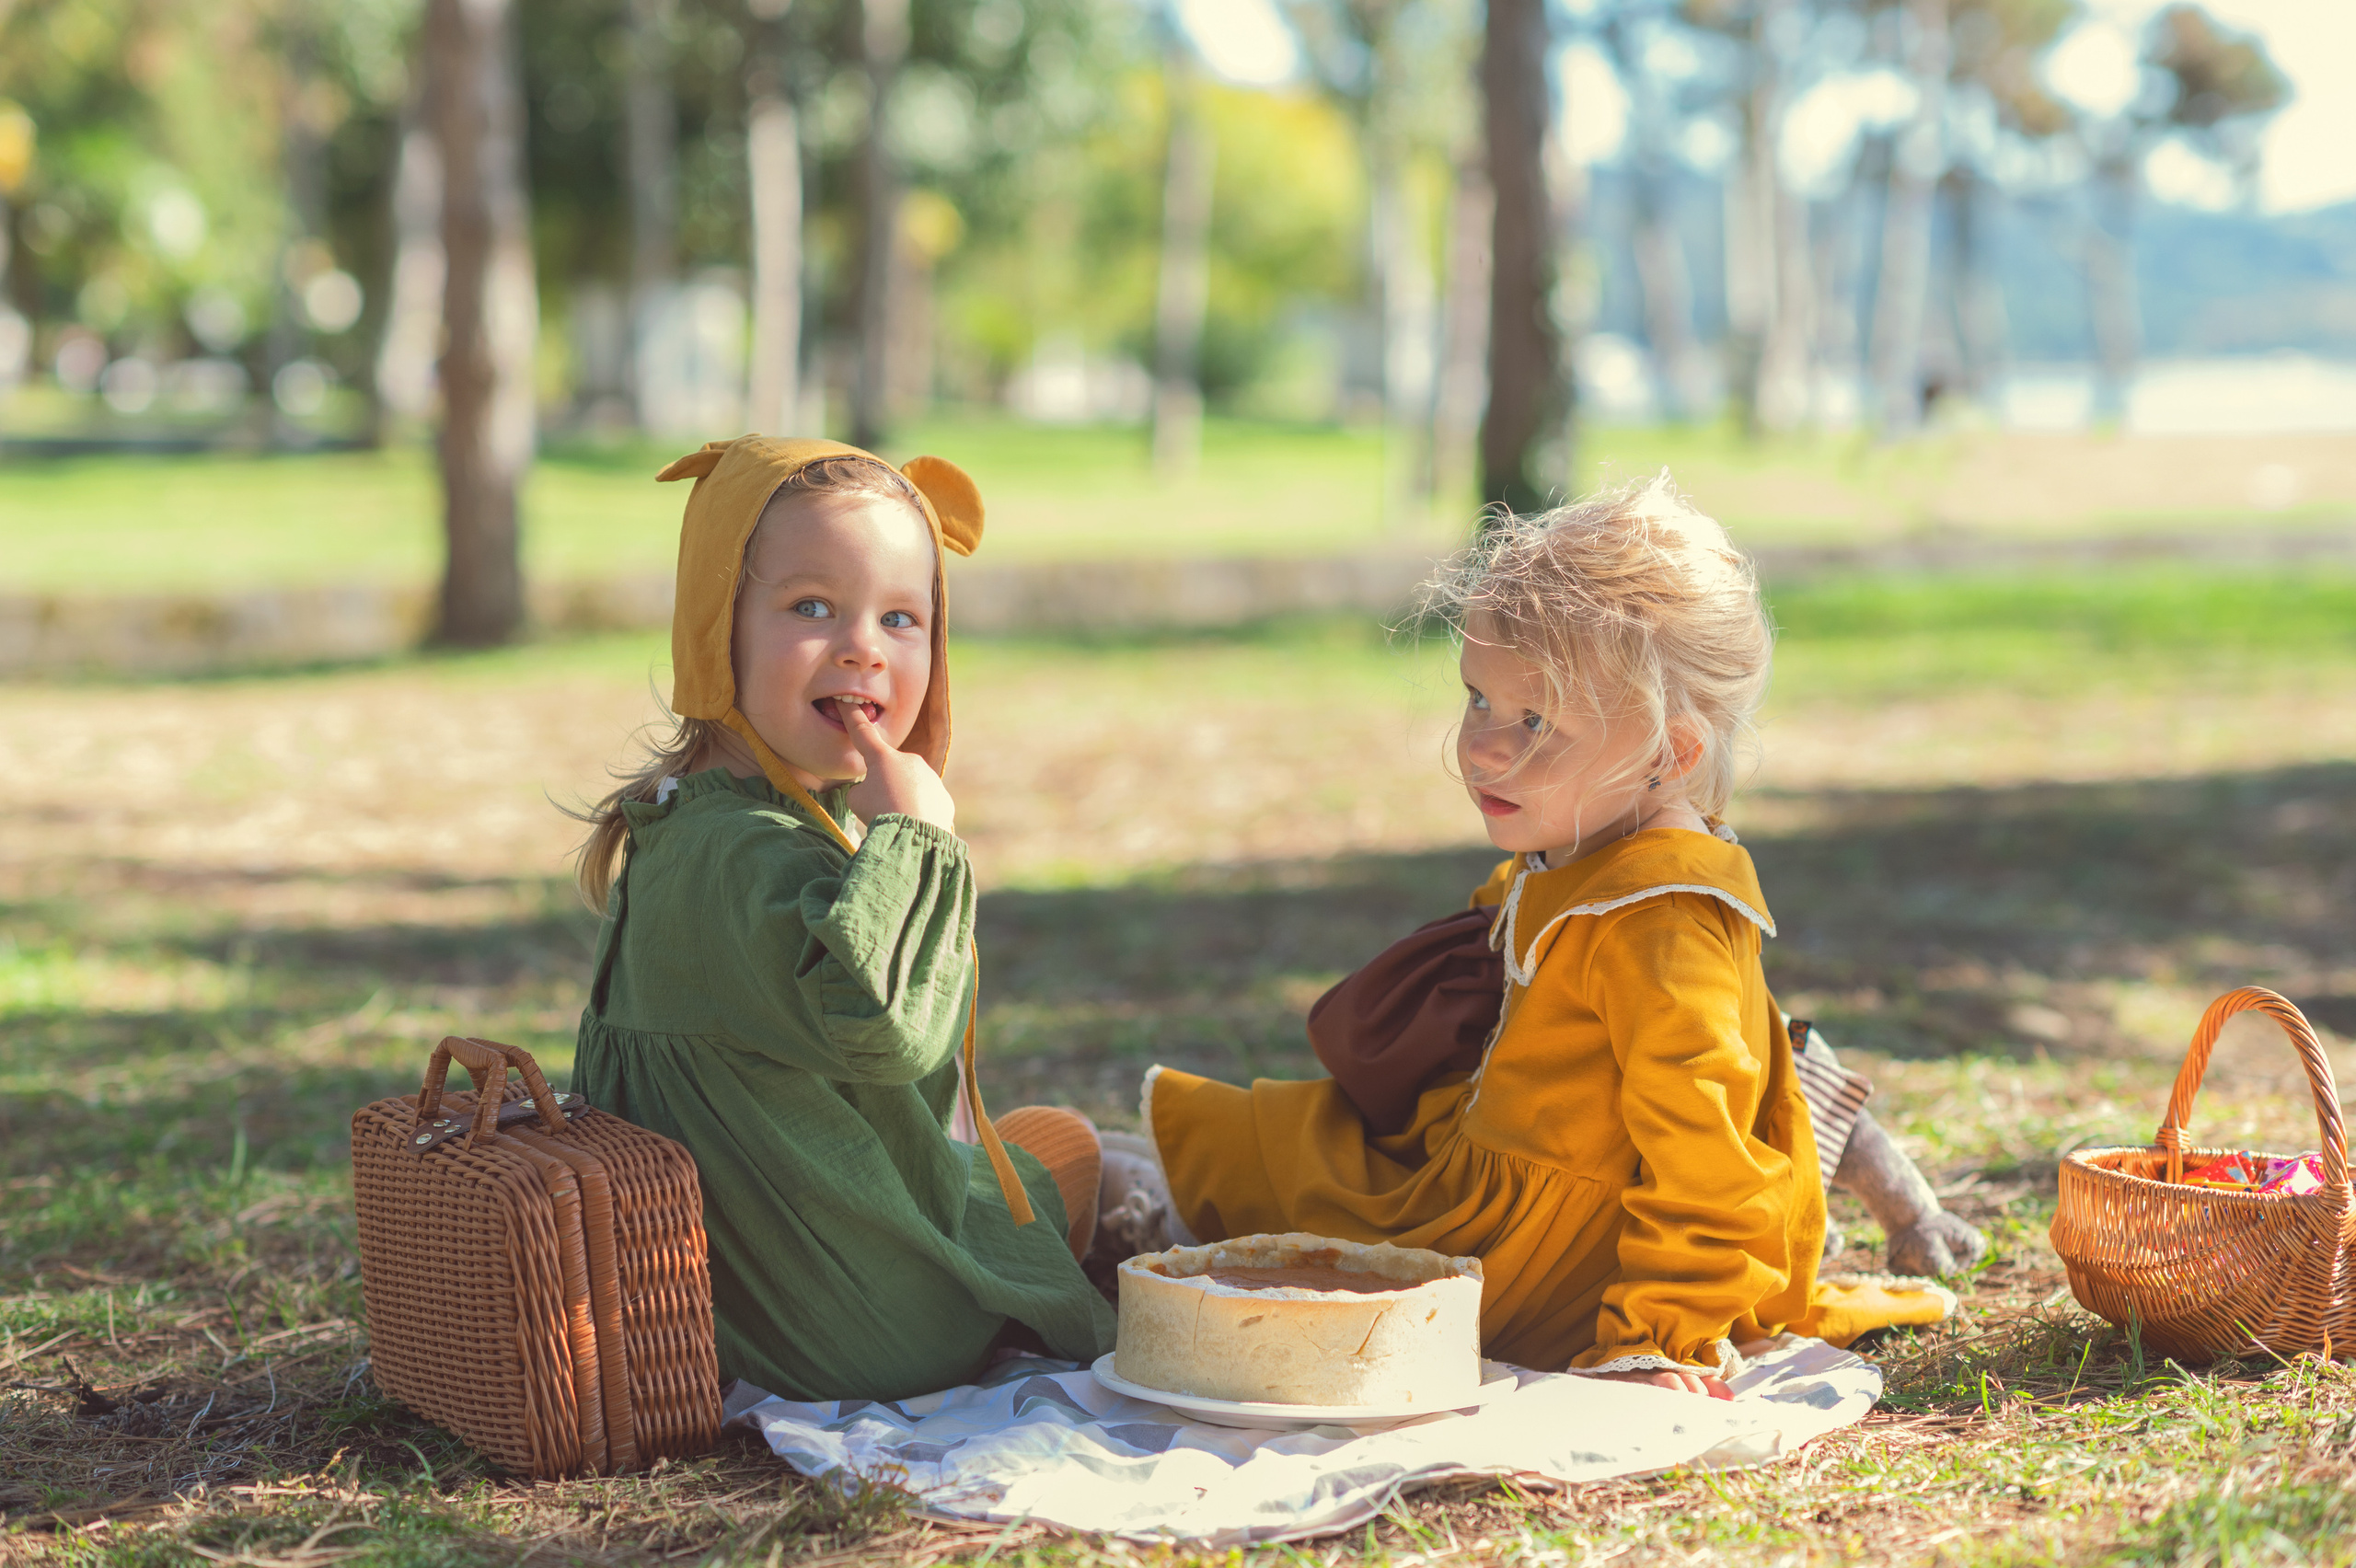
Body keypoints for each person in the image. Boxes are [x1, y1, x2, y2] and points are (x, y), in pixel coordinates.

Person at [1132, 478, 1955, 1396]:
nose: (1483, 744)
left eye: (1534, 721)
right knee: (1223, 1152)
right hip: (1478, 1174)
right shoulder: (1578, 845)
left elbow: (1710, 1160)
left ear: (1669, 754)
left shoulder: (1663, 924)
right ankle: (1077, 1196)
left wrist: (1654, 1336)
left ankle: (1074, 1214)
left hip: (1547, 1269)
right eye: (1477, 698)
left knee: (1144, 1185)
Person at [568, 435, 1115, 1403]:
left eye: (901, 617)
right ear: (712, 627)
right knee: (1060, 1150)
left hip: (745, 1291)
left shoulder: (688, 824)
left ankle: (1106, 1200)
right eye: (810, 607)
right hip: (853, 1324)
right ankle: (1098, 1228)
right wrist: (913, 840)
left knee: (1038, 1152)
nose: (863, 644)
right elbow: (886, 1029)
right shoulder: (749, 857)